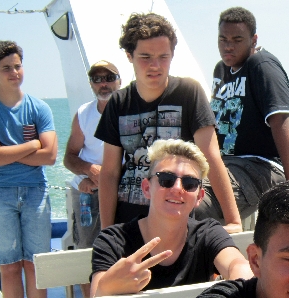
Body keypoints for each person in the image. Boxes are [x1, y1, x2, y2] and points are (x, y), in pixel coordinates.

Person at [90, 139, 253, 298]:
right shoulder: (113, 241)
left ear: (199, 197)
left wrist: (243, 281)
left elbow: (235, 263)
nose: (177, 188)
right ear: (147, 188)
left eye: (189, 183)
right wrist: (109, 287)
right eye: (166, 180)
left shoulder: (207, 233)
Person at [95, 12, 242, 233]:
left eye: (163, 57)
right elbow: (109, 173)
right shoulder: (118, 102)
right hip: (127, 221)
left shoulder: (189, 92)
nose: (155, 65)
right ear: (129, 55)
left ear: (172, 55)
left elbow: (211, 156)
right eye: (145, 57)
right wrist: (107, 232)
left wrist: (233, 220)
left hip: (177, 217)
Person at [0, 40, 65, 298]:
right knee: (9, 267)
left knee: (36, 266)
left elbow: (49, 156)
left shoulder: (40, 108)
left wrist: (8, 151)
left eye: (18, 65)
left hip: (36, 192)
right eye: (6, 67)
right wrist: (32, 144)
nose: (14, 72)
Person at [194, 7, 289, 222]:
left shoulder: (262, 65)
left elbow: (282, 122)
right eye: (223, 39)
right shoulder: (220, 70)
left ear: (253, 40)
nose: (228, 46)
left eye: (237, 40)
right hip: (225, 164)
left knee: (192, 203)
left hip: (261, 166)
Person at [63, 60, 121, 298]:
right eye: (97, 79)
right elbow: (69, 157)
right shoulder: (83, 114)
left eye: (109, 77)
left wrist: (106, 177)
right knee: (87, 252)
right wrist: (88, 171)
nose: (103, 83)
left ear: (120, 81)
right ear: (91, 84)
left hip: (121, 189)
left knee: (122, 247)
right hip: (88, 193)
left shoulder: (130, 111)